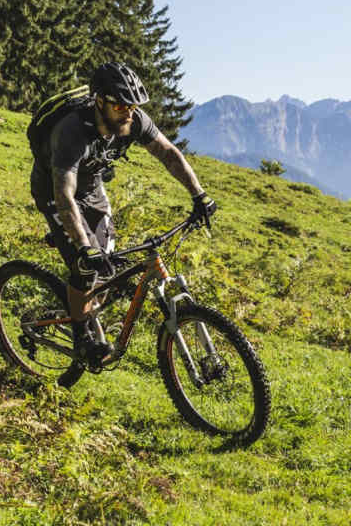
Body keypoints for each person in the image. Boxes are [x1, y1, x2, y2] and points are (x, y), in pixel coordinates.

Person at [30, 62, 217, 365]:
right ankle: (81, 336)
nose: (128, 112)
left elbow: (169, 154)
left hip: (91, 188)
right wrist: (82, 245)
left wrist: (199, 195)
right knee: (86, 266)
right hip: (55, 192)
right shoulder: (72, 132)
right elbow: (63, 194)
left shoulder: (134, 120)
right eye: (119, 105)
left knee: (107, 266)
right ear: (99, 101)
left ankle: (86, 309)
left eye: (131, 105)